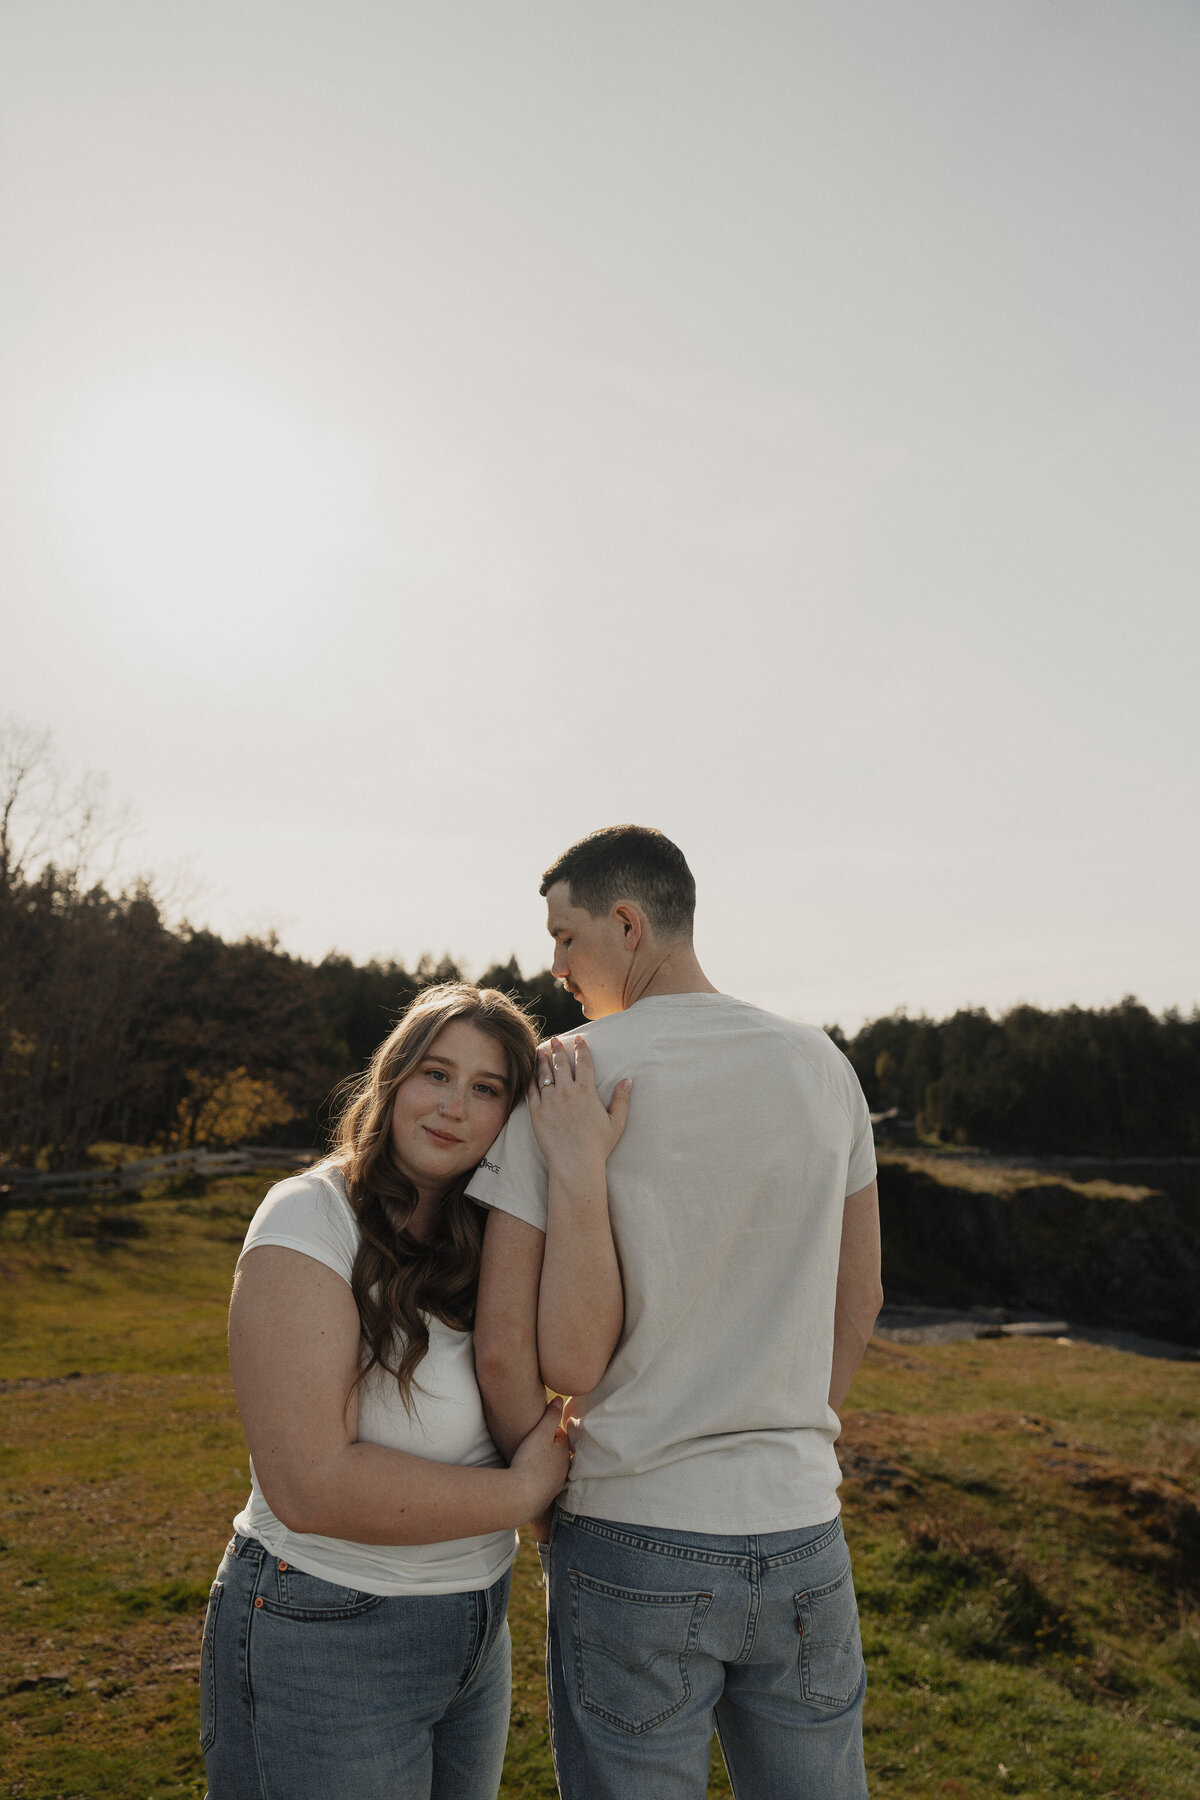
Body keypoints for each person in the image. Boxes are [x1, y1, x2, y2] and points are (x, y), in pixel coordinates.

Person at [471, 828, 884, 1800]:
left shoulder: (564, 1076)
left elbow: (511, 1348)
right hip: (802, 1529)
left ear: (627, 923)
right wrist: (776, 1432)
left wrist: (536, 1487)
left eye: (565, 936)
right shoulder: (823, 1066)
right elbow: (859, 1296)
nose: (556, 965)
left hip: (631, 1528)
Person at [201, 980, 627, 1800]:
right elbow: (310, 1485)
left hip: (473, 1625)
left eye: (486, 1089)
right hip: (324, 1626)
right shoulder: (308, 1219)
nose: (453, 1108)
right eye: (436, 1074)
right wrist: (522, 1492)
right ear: (393, 1079)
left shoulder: (490, 1234)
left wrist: (579, 1168)